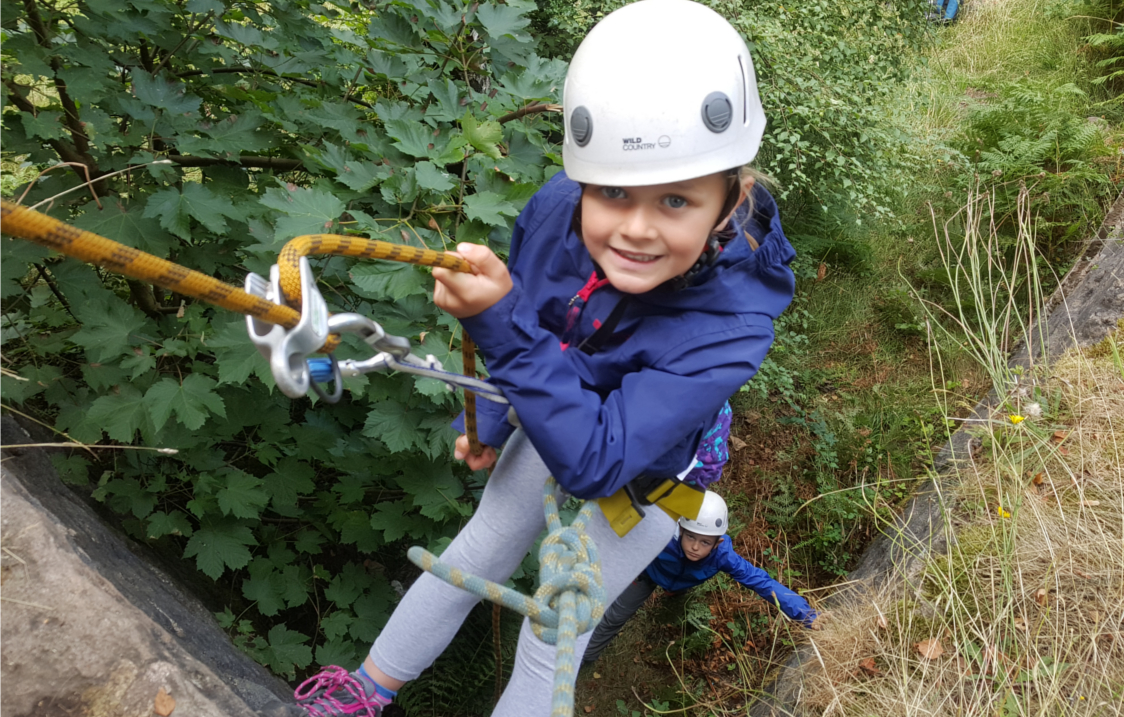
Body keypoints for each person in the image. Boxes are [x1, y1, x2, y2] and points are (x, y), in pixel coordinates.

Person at [294, 0, 796, 714]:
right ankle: (361, 694)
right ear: (586, 180)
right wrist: (492, 424)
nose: (636, 229)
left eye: (677, 200)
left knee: (552, 631)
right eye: (613, 192)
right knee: (477, 552)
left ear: (731, 198)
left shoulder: (734, 320)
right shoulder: (559, 210)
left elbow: (595, 457)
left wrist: (496, 320)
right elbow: (533, 325)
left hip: (646, 475)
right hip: (563, 409)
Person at [581, 492, 819, 667]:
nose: (695, 547)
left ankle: (673, 595)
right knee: (616, 616)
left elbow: (762, 582)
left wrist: (806, 615)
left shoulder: (722, 556)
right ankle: (586, 657)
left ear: (718, 542)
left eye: (705, 542)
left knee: (677, 590)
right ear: (680, 530)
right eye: (690, 537)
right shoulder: (664, 535)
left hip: (683, 581)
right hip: (648, 574)